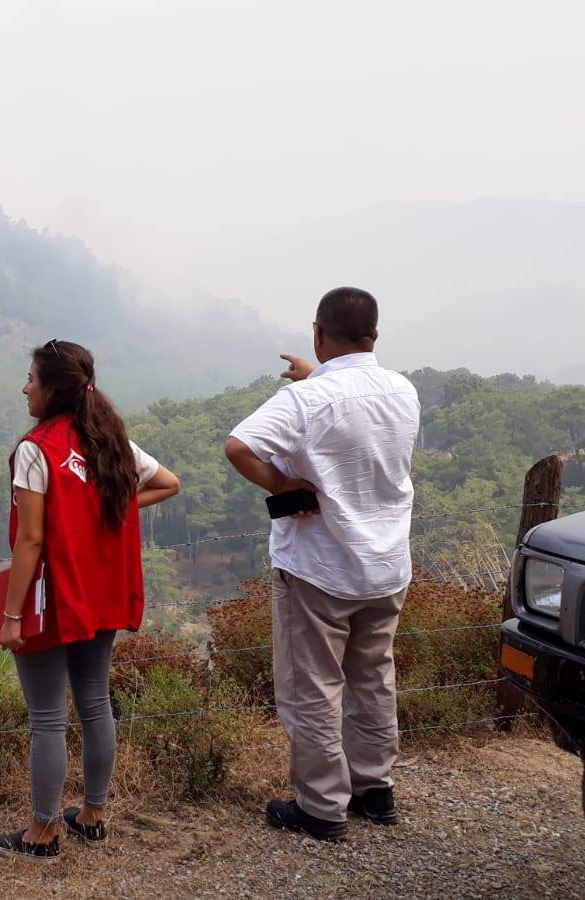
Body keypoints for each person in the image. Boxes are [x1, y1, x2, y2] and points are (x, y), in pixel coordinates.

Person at [224, 287, 421, 842]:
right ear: (374, 335)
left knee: (313, 686)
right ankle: (374, 789)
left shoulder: (306, 401)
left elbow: (238, 446)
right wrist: (317, 378)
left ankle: (320, 807)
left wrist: (284, 483)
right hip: (385, 565)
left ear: (317, 333)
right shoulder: (403, 391)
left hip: (319, 566)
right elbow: (353, 415)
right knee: (373, 677)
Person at [0, 339, 181, 860]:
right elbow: (168, 483)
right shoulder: (109, 440)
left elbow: (29, 541)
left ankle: (43, 832)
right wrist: (107, 509)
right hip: (102, 593)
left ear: (52, 389)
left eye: (31, 378)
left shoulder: (36, 450)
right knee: (95, 702)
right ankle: (93, 815)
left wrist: (11, 617)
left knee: (48, 716)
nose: (25, 387)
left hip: (52, 597)